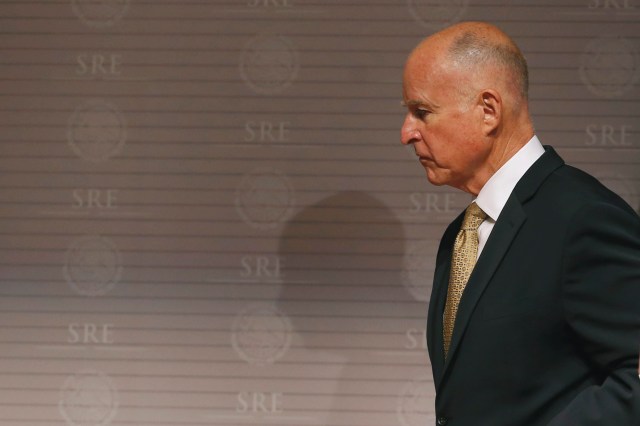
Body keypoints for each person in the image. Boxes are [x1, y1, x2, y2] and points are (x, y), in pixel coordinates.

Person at [400, 21, 640, 425]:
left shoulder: (583, 218)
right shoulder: (460, 235)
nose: (407, 132)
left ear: (488, 111)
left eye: (422, 112)